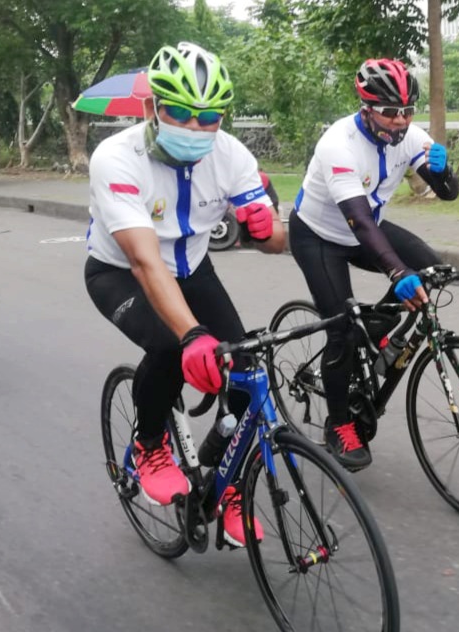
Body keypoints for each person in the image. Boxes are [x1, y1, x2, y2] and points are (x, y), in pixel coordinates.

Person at [84, 42, 285, 547]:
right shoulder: (115, 157)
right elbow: (144, 261)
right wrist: (193, 333)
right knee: (174, 345)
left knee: (245, 368)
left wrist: (267, 230)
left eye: (209, 118)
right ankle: (150, 443)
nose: (196, 129)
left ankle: (233, 485)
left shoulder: (232, 154)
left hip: (193, 269)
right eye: (180, 113)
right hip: (121, 273)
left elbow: (276, 243)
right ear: (152, 107)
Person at [288, 58, 459, 471]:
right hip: (320, 237)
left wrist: (443, 173)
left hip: (368, 228)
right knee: (342, 331)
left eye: (406, 111)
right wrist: (396, 272)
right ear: (366, 108)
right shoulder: (338, 144)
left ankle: (378, 331)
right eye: (390, 112)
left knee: (430, 268)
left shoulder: (408, 135)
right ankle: (338, 422)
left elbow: (450, 193)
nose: (400, 121)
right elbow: (359, 220)